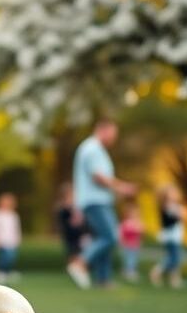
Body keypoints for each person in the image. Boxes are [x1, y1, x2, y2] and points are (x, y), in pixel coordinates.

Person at [66, 120, 136, 289]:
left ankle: (103, 279)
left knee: (103, 238)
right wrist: (122, 187)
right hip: (95, 201)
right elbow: (98, 177)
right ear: (103, 130)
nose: (114, 138)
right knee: (110, 237)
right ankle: (80, 262)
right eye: (113, 133)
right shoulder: (92, 148)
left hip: (97, 200)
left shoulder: (94, 149)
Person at [150, 185, 186, 288]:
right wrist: (180, 214)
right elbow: (177, 218)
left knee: (174, 257)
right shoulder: (168, 206)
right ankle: (157, 271)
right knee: (174, 258)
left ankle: (175, 280)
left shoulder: (170, 206)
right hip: (172, 236)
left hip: (172, 236)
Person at [0, 192, 22, 283]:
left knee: (11, 257)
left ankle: (7, 273)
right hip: (1, 240)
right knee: (5, 256)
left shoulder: (13, 215)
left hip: (11, 240)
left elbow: (16, 228)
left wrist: (18, 238)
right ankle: (0, 272)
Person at [55, 182, 88, 264]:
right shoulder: (63, 209)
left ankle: (77, 265)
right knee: (72, 251)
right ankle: (71, 265)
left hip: (79, 234)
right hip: (70, 235)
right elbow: (64, 223)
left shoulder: (77, 207)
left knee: (79, 251)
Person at [118, 200, 144, 282]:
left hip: (135, 245)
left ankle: (129, 271)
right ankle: (129, 272)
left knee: (133, 258)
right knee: (129, 258)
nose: (135, 215)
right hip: (127, 245)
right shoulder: (126, 223)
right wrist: (121, 242)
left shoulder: (138, 222)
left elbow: (141, 232)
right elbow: (121, 233)